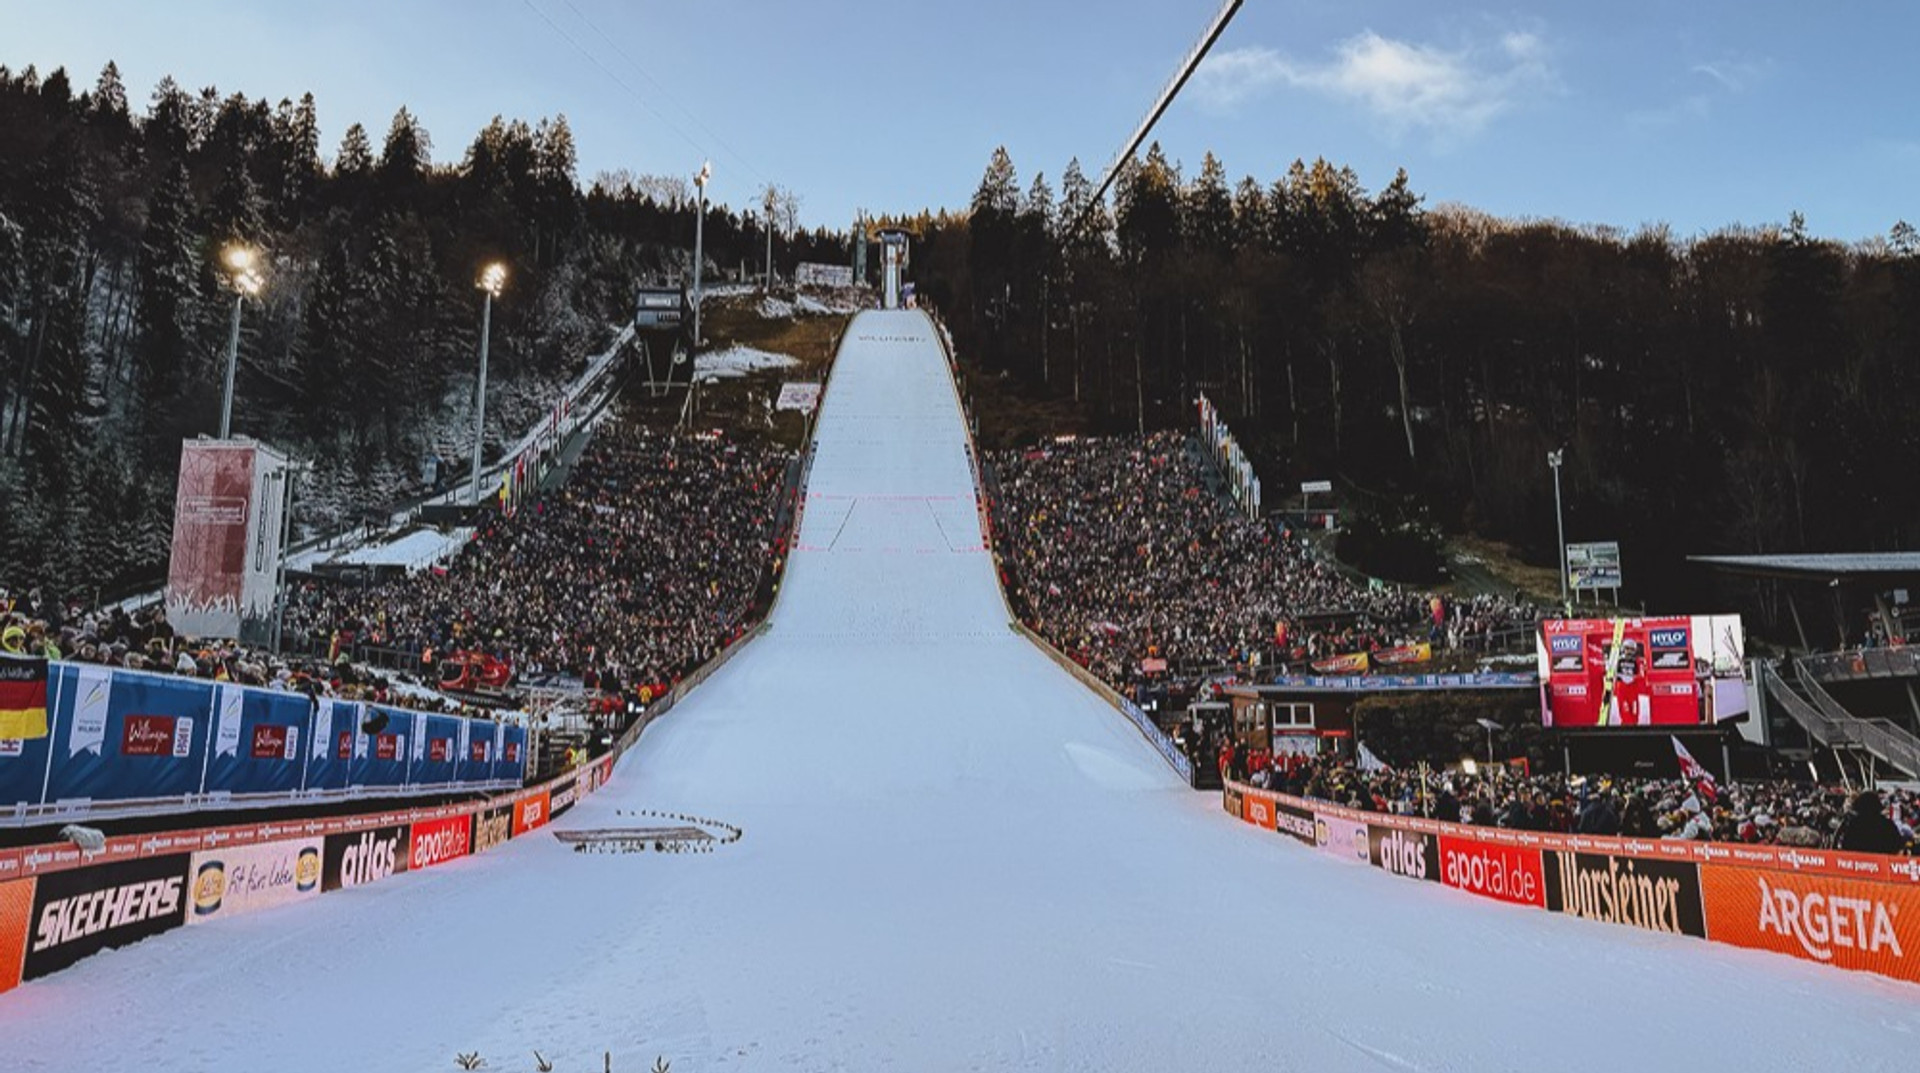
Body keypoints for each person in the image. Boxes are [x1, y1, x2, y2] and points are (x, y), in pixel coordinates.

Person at [1837, 790, 1905, 854]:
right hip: (1881, 862)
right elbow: (1897, 845)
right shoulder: (1886, 824)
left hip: (1859, 862)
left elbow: (1846, 845)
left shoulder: (1854, 824)